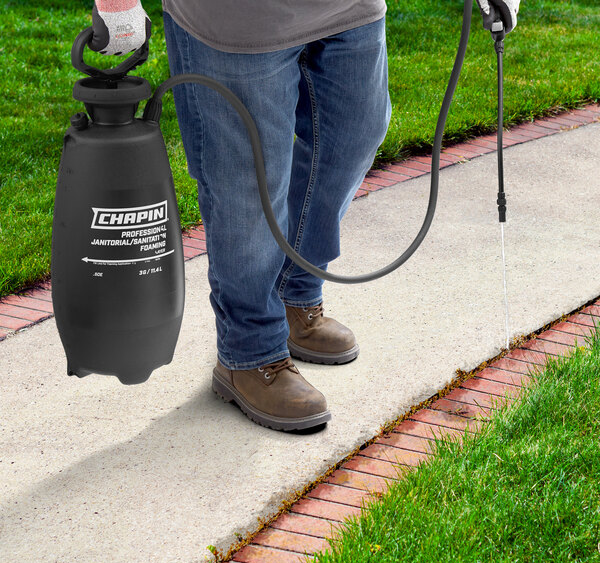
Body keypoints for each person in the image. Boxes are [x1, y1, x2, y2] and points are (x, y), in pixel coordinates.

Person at [90, 0, 519, 432]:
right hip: (234, 20)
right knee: (247, 189)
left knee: (351, 138)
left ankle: (293, 292)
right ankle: (250, 351)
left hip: (348, 8)